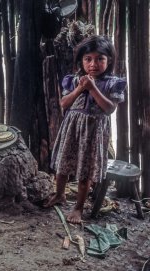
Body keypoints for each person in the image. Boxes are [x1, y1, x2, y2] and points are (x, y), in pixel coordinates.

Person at [44, 35, 126, 224]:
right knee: (62, 165)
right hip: (72, 128)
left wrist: (93, 88)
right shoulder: (73, 81)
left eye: (100, 59)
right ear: (81, 60)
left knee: (85, 171)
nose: (93, 64)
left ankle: (78, 207)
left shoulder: (113, 83)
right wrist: (81, 88)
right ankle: (59, 194)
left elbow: (109, 109)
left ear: (109, 60)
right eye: (88, 59)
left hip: (93, 131)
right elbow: (64, 103)